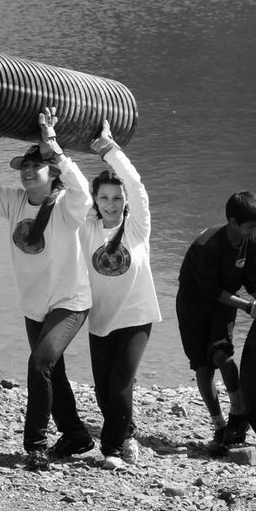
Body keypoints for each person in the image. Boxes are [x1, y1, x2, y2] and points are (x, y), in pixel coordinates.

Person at [0, 109, 95, 471]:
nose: (27, 170)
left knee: (39, 364)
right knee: (54, 370)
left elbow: (84, 191)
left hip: (70, 302)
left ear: (52, 174)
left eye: (37, 165)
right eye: (23, 165)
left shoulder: (67, 207)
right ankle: (76, 434)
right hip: (35, 305)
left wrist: (56, 151)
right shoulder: (14, 202)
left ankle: (35, 445)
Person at [79, 119, 161, 468]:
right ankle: (127, 433)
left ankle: (112, 449)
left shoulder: (138, 227)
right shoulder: (86, 227)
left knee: (121, 382)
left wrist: (110, 150)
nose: (110, 204)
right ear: (95, 201)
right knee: (102, 389)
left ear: (125, 201)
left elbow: (137, 184)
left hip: (136, 316)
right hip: (100, 317)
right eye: (104, 198)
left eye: (117, 197)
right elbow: (72, 190)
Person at [175, 191, 256, 458]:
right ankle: (219, 424)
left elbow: (254, 284)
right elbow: (210, 290)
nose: (255, 231)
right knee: (203, 365)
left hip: (224, 302)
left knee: (222, 353)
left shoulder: (252, 243)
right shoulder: (205, 246)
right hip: (194, 303)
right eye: (251, 226)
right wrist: (248, 308)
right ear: (233, 222)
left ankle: (238, 412)